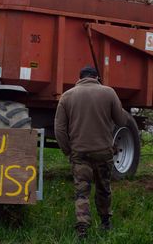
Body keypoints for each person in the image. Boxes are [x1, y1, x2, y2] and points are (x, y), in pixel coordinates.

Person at [54, 66, 127, 239]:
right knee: (103, 188)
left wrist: (68, 150)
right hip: (103, 152)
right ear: (97, 78)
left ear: (79, 78)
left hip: (79, 153)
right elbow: (122, 120)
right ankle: (105, 223)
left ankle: (82, 229)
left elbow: (59, 129)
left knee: (82, 191)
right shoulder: (109, 93)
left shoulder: (67, 96)